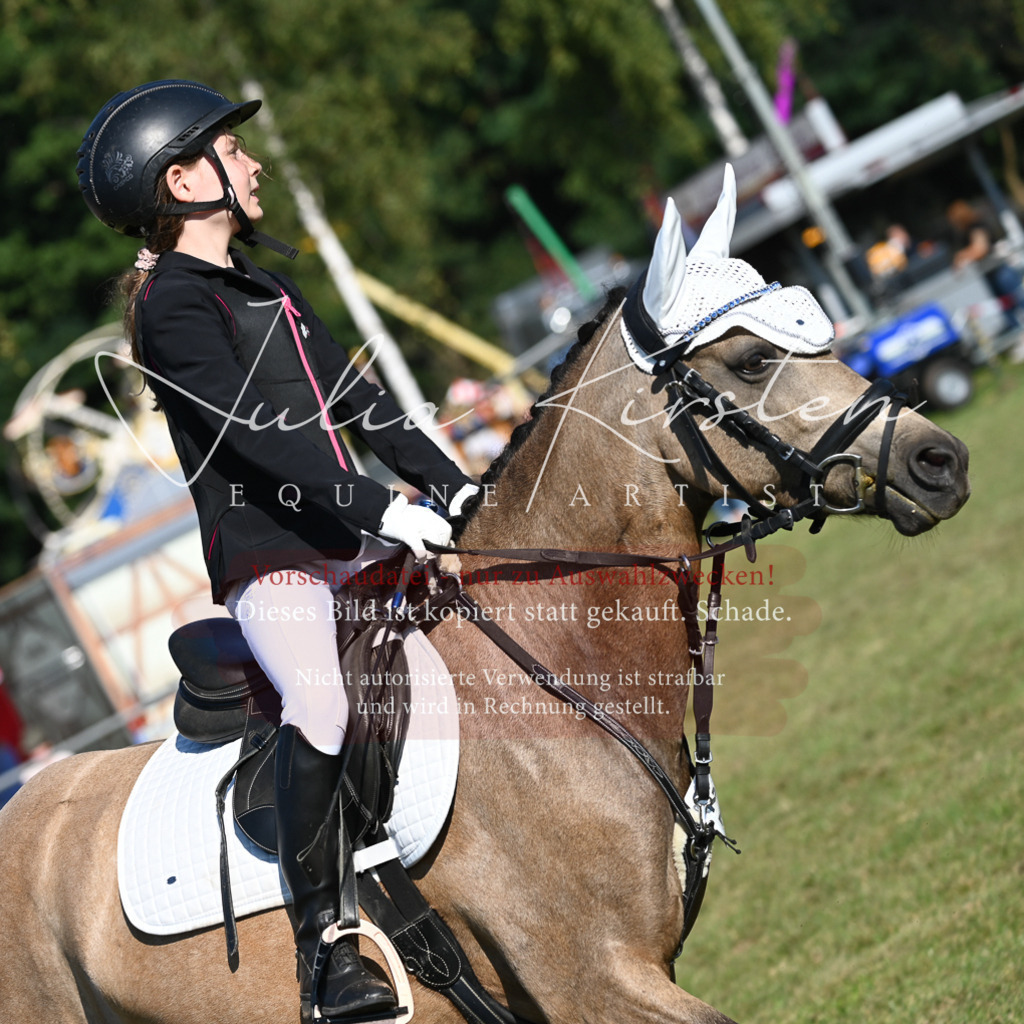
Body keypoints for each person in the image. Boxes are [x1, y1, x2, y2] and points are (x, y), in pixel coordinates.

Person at [77, 80, 478, 1022]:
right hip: (273, 556)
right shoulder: (172, 304)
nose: (252, 163)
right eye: (231, 150)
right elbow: (258, 441)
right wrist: (381, 504)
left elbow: (359, 401)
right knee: (322, 701)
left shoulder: (269, 286)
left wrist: (451, 482)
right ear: (183, 181)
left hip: (343, 532)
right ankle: (326, 947)